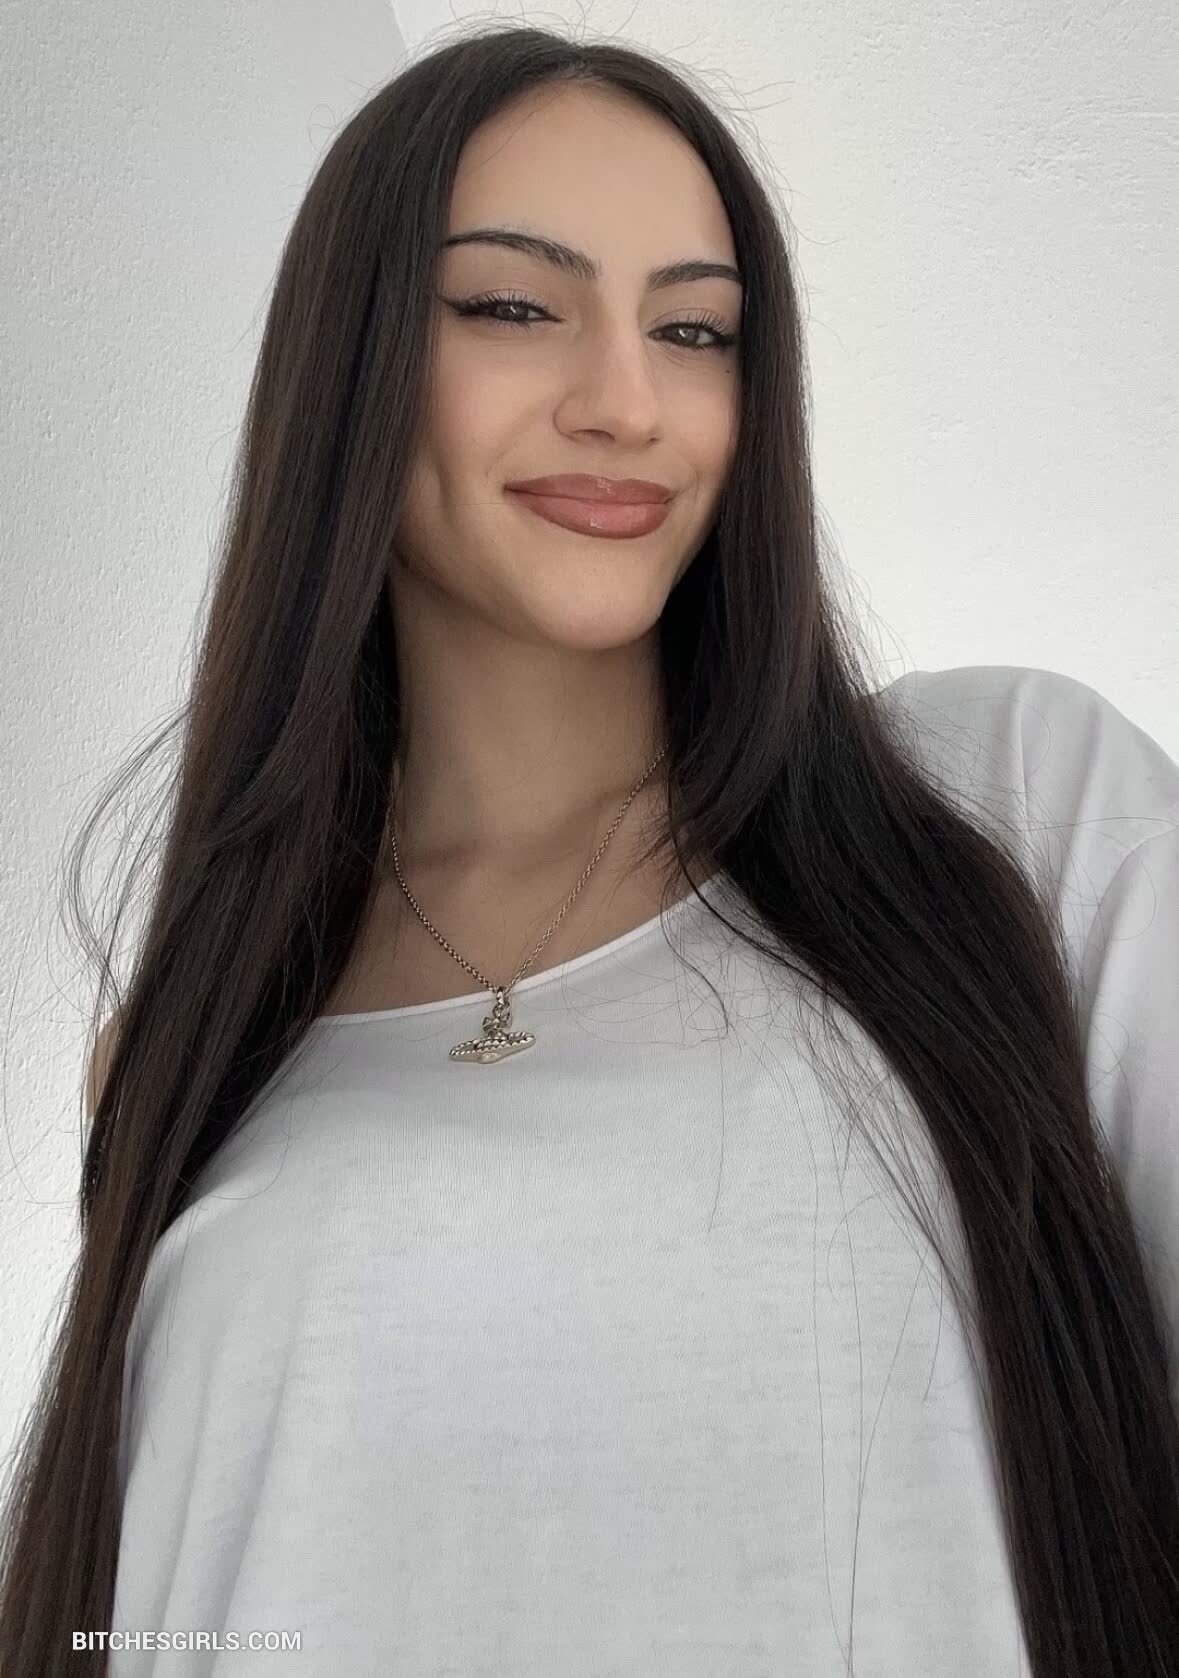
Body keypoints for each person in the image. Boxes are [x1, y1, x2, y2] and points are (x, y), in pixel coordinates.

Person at [2, 25, 1176, 1678]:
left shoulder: (1010, 808)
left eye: (695, 330)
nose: (628, 402)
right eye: (511, 305)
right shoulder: (192, 1041)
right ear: (352, 362)